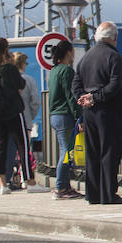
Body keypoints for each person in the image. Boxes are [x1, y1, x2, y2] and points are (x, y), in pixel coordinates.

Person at [73, 21, 122, 205]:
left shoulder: (86, 57)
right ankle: (108, 194)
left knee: (93, 152)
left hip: (89, 112)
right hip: (110, 111)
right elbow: (115, 84)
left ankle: (92, 194)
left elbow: (75, 83)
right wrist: (96, 97)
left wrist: (84, 98)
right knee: (110, 151)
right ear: (114, 38)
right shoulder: (113, 57)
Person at [0, 37, 36, 194]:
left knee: (0, 148)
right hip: (12, 111)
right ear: (6, 48)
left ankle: (2, 184)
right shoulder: (9, 68)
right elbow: (20, 85)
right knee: (22, 145)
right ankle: (30, 181)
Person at [46, 40, 84, 199]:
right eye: (73, 51)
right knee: (66, 152)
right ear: (68, 52)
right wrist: (79, 117)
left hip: (54, 115)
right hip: (64, 116)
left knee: (66, 151)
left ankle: (65, 187)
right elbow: (71, 97)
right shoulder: (66, 72)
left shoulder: (54, 71)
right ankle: (61, 187)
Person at [11, 52, 42, 189]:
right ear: (23, 64)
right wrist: (31, 115)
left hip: (9, 119)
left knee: (11, 150)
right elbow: (35, 102)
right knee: (25, 150)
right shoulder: (28, 80)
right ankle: (26, 178)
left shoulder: (9, 79)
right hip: (25, 120)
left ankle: (10, 178)